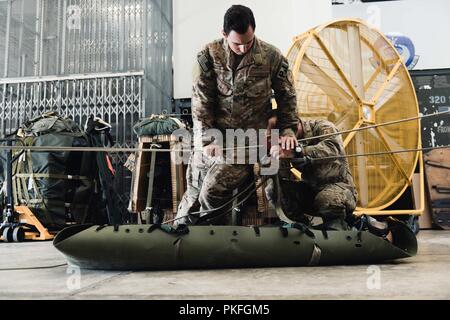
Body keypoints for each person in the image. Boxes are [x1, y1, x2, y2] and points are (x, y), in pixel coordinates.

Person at [174, 5, 298, 226]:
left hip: (253, 143)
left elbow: (287, 97)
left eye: (248, 42)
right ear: (224, 34)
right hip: (216, 138)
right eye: (236, 43)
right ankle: (196, 232)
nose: (243, 48)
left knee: (213, 188)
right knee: (195, 189)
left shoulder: (272, 56)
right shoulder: (209, 56)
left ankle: (216, 234)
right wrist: (208, 138)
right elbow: (201, 103)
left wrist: (287, 130)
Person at [268, 117, 358, 231]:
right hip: (311, 192)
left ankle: (338, 229)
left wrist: (298, 151)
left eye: (283, 131)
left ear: (295, 121)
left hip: (340, 190)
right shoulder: (284, 144)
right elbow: (282, 177)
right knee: (274, 189)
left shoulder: (322, 126)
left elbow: (332, 148)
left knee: (325, 199)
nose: (282, 136)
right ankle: (301, 228)